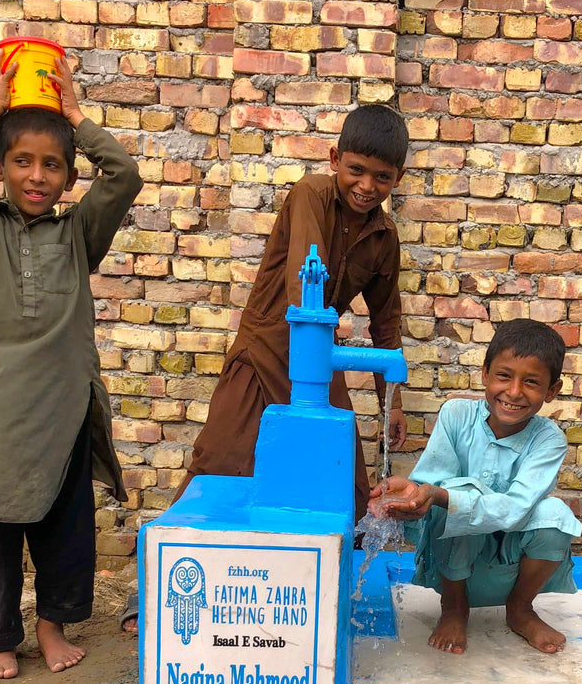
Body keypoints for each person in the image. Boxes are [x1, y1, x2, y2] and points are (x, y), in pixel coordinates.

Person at [121, 104, 410, 634]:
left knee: (346, 483)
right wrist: (323, 323)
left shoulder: (383, 238)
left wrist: (392, 401)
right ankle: (157, 597)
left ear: (398, 178)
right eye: (357, 170)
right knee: (220, 463)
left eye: (382, 176)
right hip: (264, 350)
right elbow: (307, 272)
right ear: (335, 160)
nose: (367, 185)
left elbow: (387, 321)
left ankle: (338, 598)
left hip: (317, 366)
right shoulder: (311, 194)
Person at [0, 50, 143, 679]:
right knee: (0, 535)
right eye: (22, 161)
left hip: (62, 409)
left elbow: (125, 174)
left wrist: (79, 117)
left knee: (65, 530)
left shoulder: (76, 235)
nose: (37, 176)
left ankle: (51, 627)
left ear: (68, 176)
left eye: (52, 165)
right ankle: (0, 641)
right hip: (0, 415)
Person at [369, 319, 582, 656]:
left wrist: (441, 495)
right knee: (450, 496)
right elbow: (431, 486)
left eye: (531, 382)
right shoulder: (455, 415)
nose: (513, 392)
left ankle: (520, 609)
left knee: (555, 513)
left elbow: (516, 508)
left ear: (552, 391)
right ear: (484, 374)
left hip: (511, 562)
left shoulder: (548, 439)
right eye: (503, 376)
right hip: (451, 565)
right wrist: (412, 495)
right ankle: (454, 608)